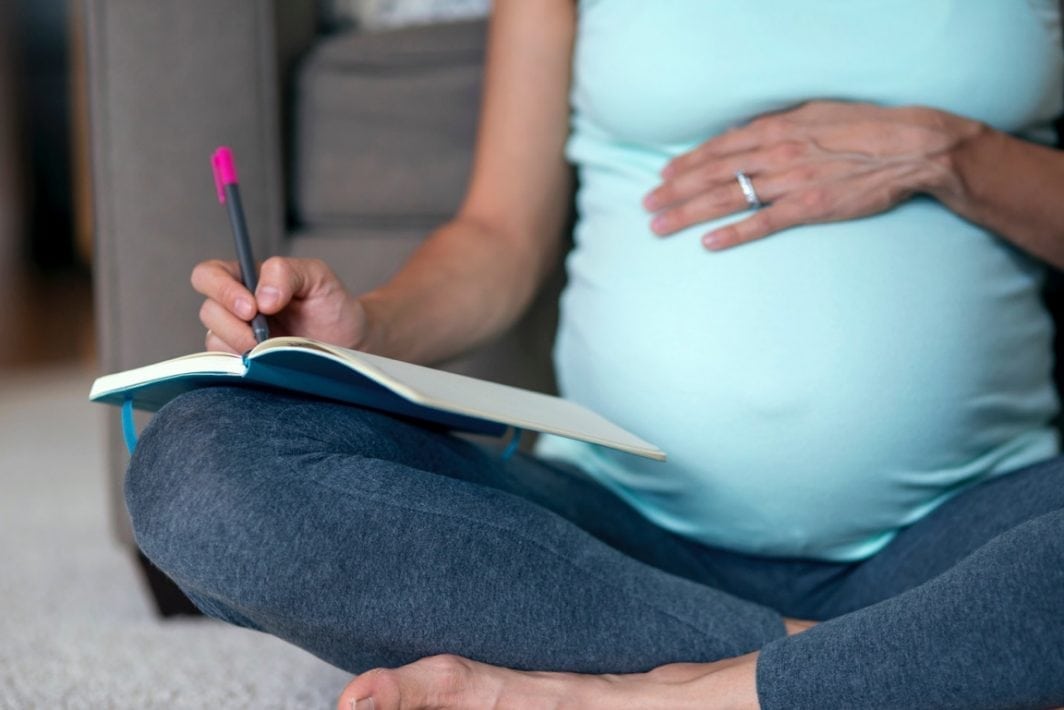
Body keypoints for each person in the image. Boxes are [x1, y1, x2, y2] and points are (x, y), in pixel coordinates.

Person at [126, 1, 1064, 708]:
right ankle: (886, 663)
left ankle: (635, 696)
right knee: (202, 468)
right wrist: (369, 329)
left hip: (967, 525)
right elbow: (499, 236)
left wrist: (952, 152)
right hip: (610, 542)